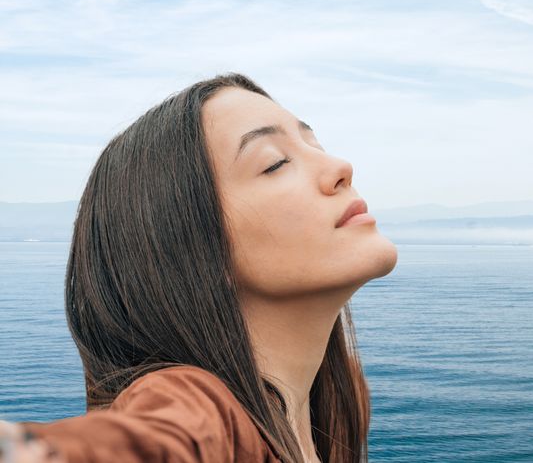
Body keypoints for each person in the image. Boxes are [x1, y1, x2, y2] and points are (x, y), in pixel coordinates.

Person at [0, 73, 399, 462]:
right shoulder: (200, 407)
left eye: (315, 143)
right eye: (275, 163)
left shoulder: (335, 409)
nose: (340, 167)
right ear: (194, 250)